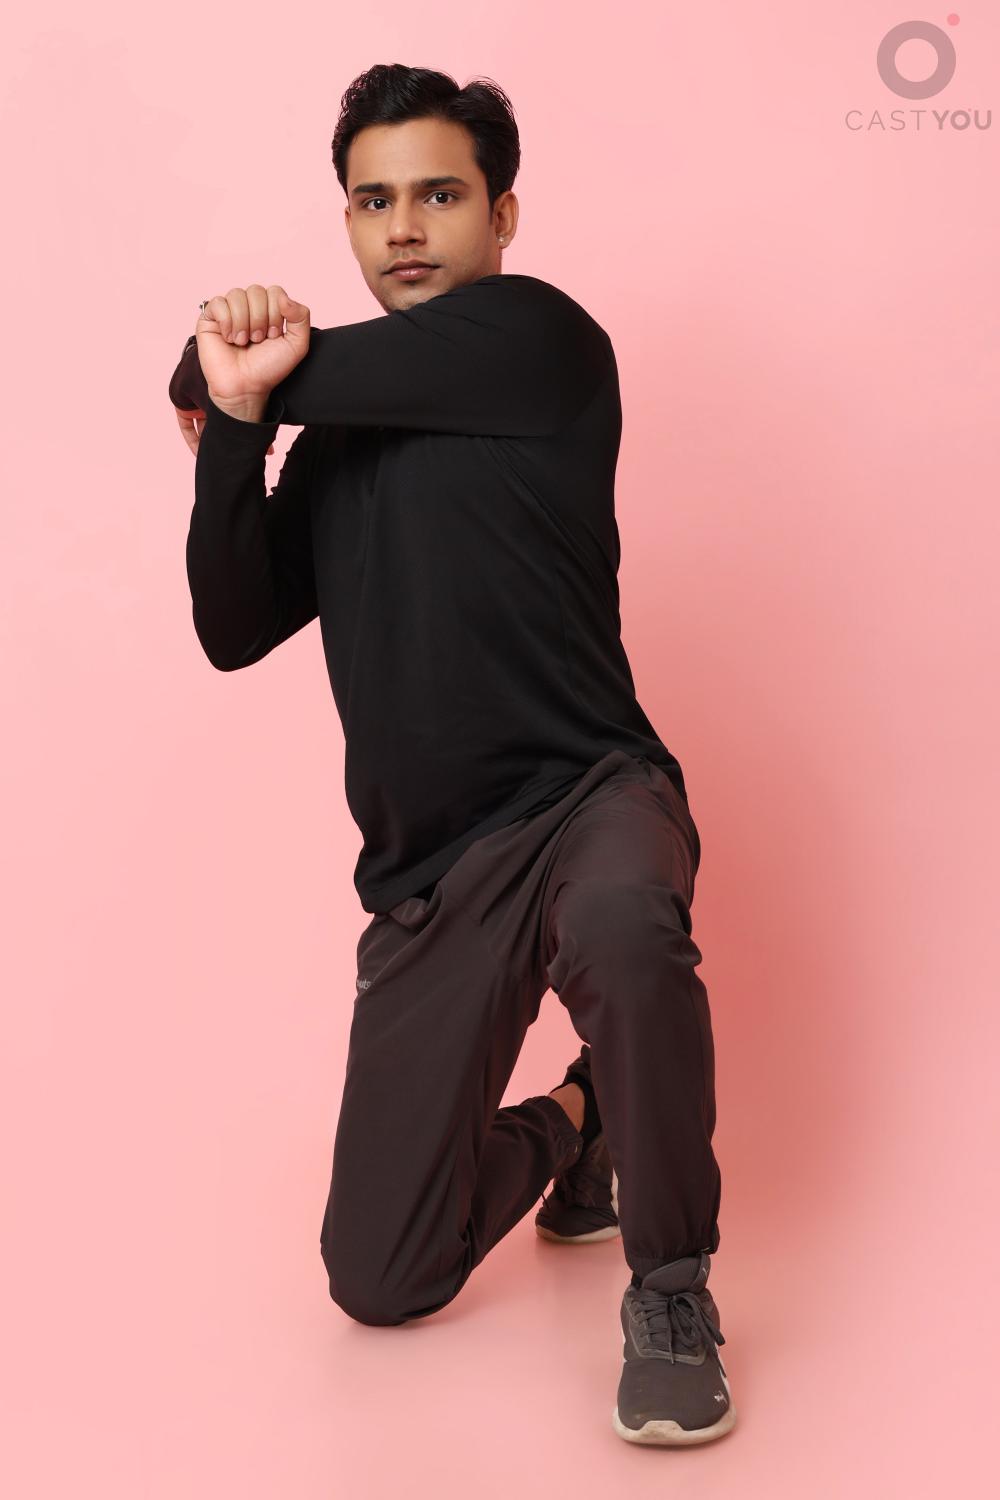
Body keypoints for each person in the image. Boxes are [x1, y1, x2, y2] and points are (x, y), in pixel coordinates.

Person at [168, 63, 734, 1447]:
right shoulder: (337, 437)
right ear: (349, 223)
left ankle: (671, 1294)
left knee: (625, 928)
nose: (406, 228)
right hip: (432, 875)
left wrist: (222, 382)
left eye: (439, 194)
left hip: (591, 797)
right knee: (380, 1276)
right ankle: (580, 1121)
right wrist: (231, 444)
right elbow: (234, 627)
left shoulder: (539, 339)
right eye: (375, 202)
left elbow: (209, 371)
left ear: (502, 214)